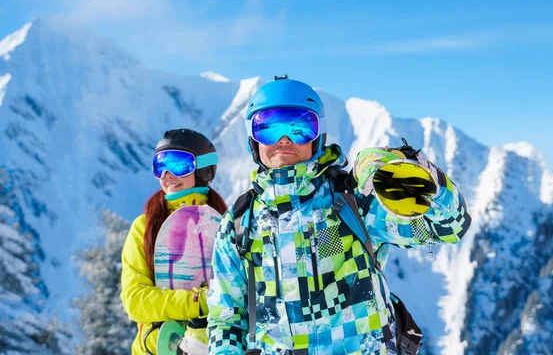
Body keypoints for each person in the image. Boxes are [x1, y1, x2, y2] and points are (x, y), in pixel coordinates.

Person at [207, 77, 472, 354]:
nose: (284, 139)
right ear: (253, 140)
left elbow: (449, 227)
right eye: (268, 128)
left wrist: (422, 176)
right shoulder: (239, 222)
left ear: (318, 137)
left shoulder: (355, 201)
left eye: (299, 128)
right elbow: (226, 320)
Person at [121, 129, 228, 355]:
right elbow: (135, 300)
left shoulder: (227, 225)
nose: (167, 175)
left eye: (179, 165)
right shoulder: (145, 227)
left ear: (203, 169)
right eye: (160, 166)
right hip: (155, 348)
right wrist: (200, 302)